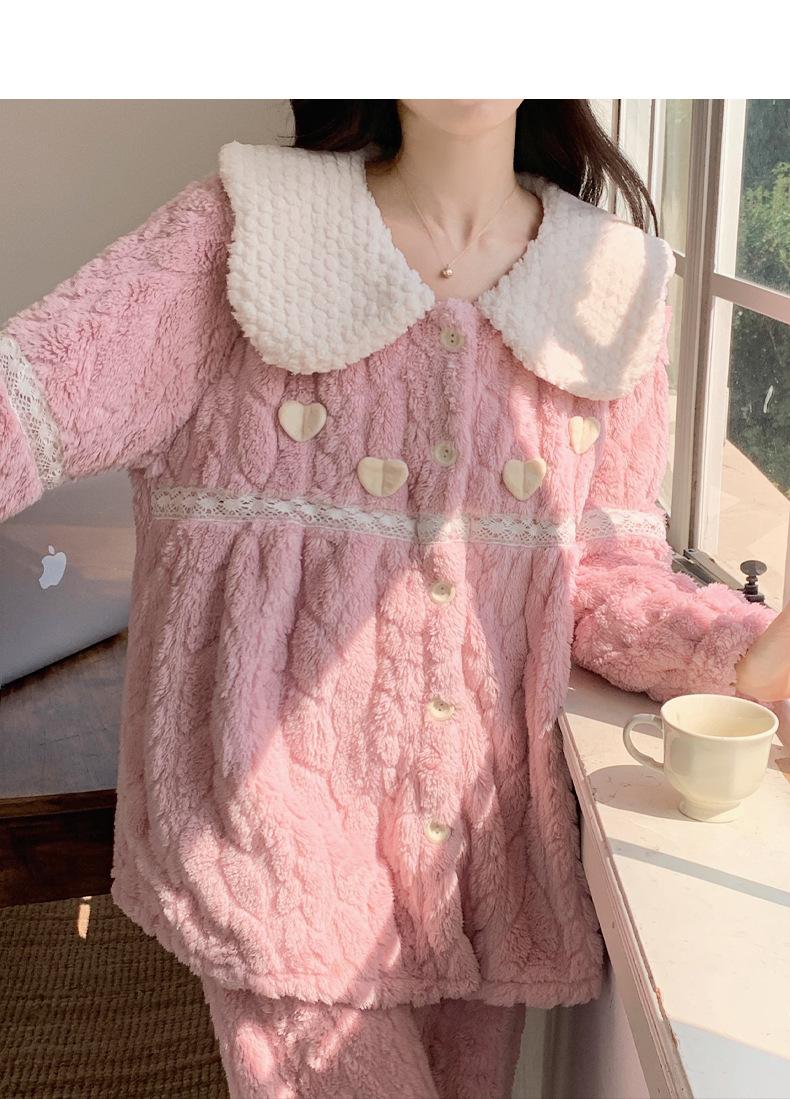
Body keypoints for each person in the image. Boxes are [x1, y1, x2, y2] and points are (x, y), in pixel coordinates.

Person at [1, 99, 788, 1099]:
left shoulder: (609, 285)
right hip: (275, 839)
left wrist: (745, 655)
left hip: (477, 858)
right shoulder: (243, 232)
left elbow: (604, 574)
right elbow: (29, 402)